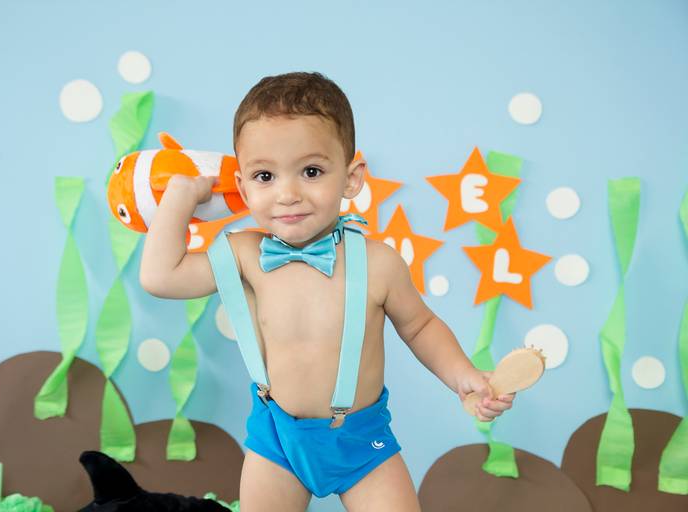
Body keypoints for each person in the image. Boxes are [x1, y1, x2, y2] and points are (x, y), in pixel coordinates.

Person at [139, 71, 514, 511]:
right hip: (277, 440)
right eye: (265, 176)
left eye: (311, 171)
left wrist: (463, 376)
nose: (287, 194)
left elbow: (420, 326)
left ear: (351, 178)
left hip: (361, 441)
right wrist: (181, 197)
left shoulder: (378, 263)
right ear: (241, 188)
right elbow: (160, 276)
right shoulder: (244, 254)